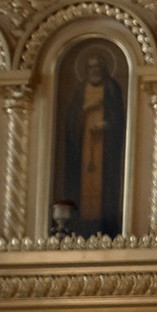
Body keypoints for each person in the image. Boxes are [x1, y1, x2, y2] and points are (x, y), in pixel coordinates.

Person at [61, 47, 127, 236]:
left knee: (104, 185)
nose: (94, 71)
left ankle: (105, 223)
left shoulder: (111, 87)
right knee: (83, 185)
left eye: (98, 67)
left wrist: (107, 124)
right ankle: (80, 222)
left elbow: (119, 118)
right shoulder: (81, 89)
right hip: (83, 146)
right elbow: (71, 118)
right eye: (90, 67)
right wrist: (85, 108)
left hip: (104, 147)